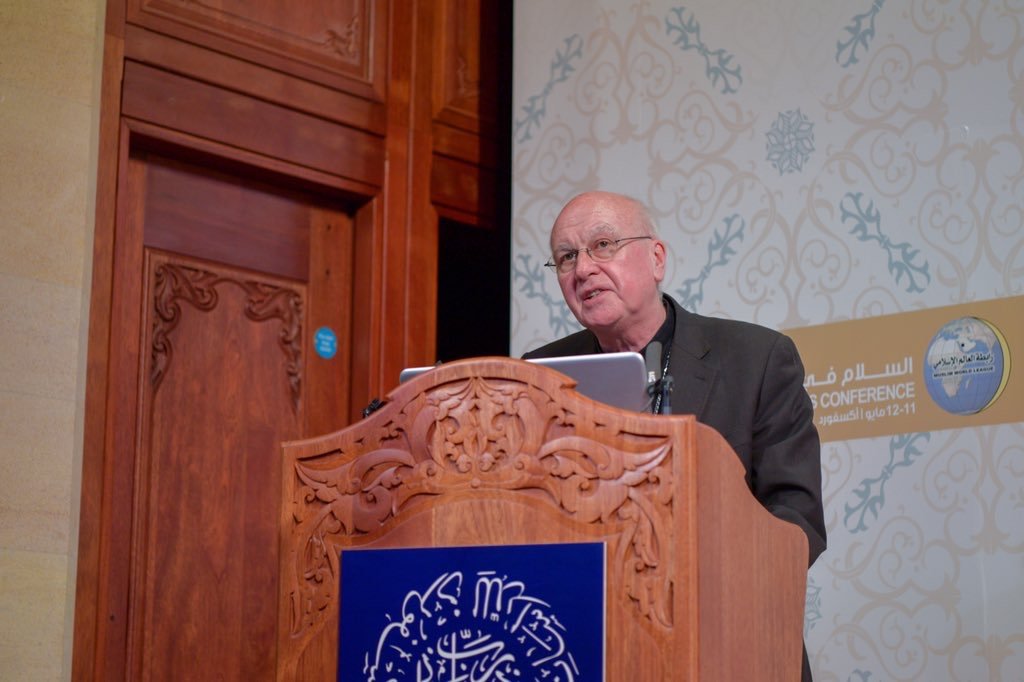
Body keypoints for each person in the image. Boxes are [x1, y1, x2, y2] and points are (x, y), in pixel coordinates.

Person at [523, 190, 825, 681]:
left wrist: (698, 579)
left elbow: (797, 517)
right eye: (566, 257)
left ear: (656, 258)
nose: (583, 269)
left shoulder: (757, 358)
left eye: (603, 245)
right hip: (588, 647)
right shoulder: (539, 374)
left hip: (732, 645)